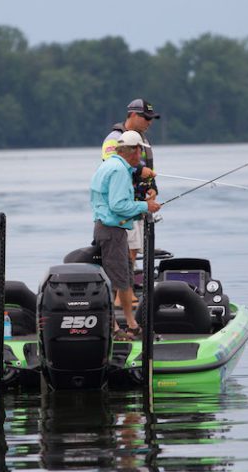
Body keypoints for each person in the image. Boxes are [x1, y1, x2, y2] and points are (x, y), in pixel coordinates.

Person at [91, 131, 161, 340]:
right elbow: (118, 205)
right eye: (140, 149)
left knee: (124, 277)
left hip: (110, 229)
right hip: (111, 230)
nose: (141, 153)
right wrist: (145, 206)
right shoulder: (119, 171)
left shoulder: (110, 165)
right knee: (115, 280)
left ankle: (131, 324)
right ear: (133, 150)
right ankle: (113, 329)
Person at [100, 99, 160, 302]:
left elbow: (148, 170)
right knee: (125, 250)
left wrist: (152, 188)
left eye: (151, 119)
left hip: (139, 202)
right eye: (146, 118)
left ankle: (126, 292)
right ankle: (120, 295)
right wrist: (138, 170)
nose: (149, 122)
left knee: (133, 249)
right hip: (123, 204)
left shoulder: (142, 139)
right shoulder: (113, 138)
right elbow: (112, 163)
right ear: (133, 115)